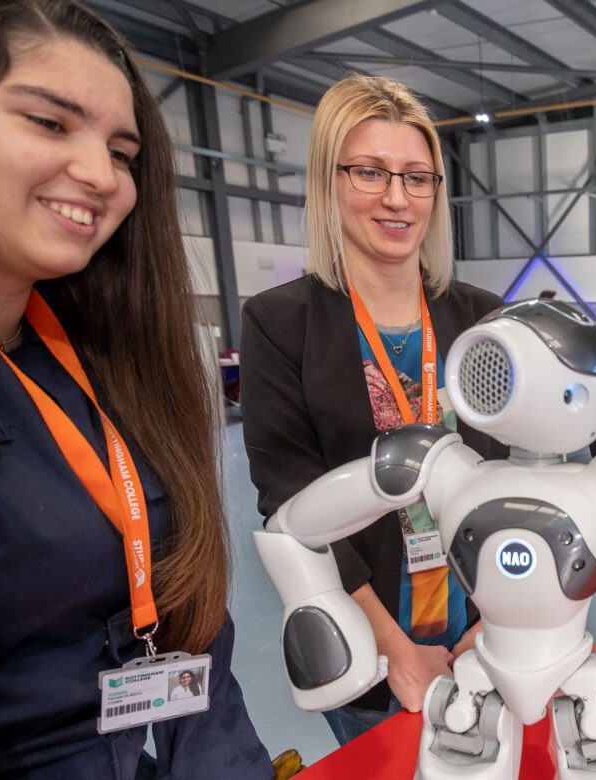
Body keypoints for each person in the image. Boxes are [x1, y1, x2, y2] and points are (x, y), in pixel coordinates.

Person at [0, 1, 271, 777]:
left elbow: (191, 630)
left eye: (122, 150)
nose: (101, 175)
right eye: (48, 122)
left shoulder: (102, 360)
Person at [240, 75, 505, 744]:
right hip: (369, 637)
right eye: (371, 172)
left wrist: (499, 620)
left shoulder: (482, 320)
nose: (397, 198)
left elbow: (515, 476)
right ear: (329, 180)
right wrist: (392, 648)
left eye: (417, 177)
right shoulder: (280, 323)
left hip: (486, 628)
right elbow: (287, 495)